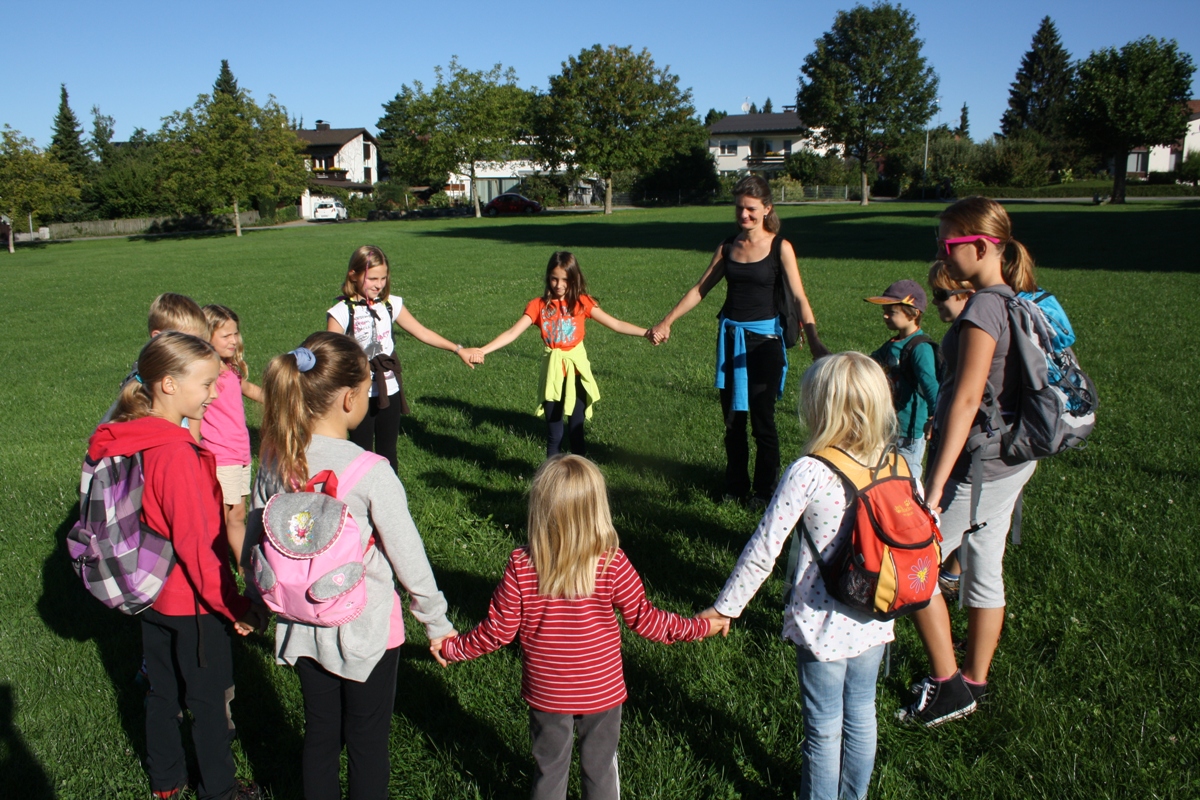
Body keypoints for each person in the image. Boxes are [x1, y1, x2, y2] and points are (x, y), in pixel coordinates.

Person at [433, 455, 727, 800]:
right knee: (600, 769)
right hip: (602, 689)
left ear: (539, 510)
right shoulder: (613, 563)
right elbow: (647, 619)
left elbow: (497, 630)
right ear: (597, 509)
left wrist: (453, 648)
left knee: (549, 770)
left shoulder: (521, 565)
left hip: (547, 691)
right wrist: (698, 626)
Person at [249, 331, 456, 800]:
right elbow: (408, 555)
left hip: (300, 625)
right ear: (349, 399)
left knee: (320, 736)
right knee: (367, 743)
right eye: (367, 390)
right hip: (368, 632)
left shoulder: (275, 459)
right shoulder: (371, 470)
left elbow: (258, 538)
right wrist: (436, 622)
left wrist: (254, 599)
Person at [699, 353, 902, 800]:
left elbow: (763, 549)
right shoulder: (898, 464)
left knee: (824, 728)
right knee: (862, 713)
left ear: (820, 407)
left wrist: (725, 608)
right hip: (876, 614)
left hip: (822, 624)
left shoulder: (809, 472)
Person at [88, 331, 263, 800]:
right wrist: (235, 605)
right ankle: (220, 791)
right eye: (206, 384)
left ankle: (166, 780)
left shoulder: (131, 434)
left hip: (150, 590)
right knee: (207, 701)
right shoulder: (177, 456)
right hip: (193, 602)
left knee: (161, 690)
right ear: (168, 384)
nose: (214, 394)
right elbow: (198, 547)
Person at [899, 196, 1040, 726]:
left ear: (980, 247)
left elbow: (965, 400)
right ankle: (974, 680)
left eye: (947, 242)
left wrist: (935, 488)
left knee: (913, 563)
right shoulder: (1011, 298)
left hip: (978, 468)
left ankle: (948, 685)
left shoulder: (981, 308)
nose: (940, 251)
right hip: (1010, 460)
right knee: (983, 565)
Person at [648, 175, 828, 505]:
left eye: (751, 209)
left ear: (767, 209)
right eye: (739, 209)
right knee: (733, 421)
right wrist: (667, 321)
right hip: (731, 341)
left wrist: (814, 341)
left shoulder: (780, 247)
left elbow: (799, 297)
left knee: (762, 420)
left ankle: (765, 491)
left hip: (765, 343)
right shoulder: (728, 247)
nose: (744, 215)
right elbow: (700, 289)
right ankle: (735, 487)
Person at [326, 245, 484, 472]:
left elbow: (422, 332)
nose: (379, 284)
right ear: (353, 275)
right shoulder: (342, 311)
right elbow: (330, 354)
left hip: (389, 389)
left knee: (388, 451)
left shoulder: (390, 304)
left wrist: (459, 350)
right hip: (357, 393)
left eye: (383, 278)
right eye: (372, 278)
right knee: (360, 452)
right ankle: (360, 493)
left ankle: (390, 492)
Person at [475, 251, 649, 457]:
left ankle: (580, 477)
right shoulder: (538, 306)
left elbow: (616, 324)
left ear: (574, 279)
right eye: (554, 279)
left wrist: (647, 332)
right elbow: (512, 333)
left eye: (565, 280)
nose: (559, 285)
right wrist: (483, 350)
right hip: (553, 376)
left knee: (576, 433)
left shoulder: (582, 302)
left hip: (576, 375)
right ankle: (550, 477)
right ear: (548, 277)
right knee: (554, 435)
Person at [200, 304, 263, 574]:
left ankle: (244, 569)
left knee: (237, 515)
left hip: (240, 454)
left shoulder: (230, 368)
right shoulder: (206, 372)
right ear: (206, 336)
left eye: (235, 334)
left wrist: (280, 399)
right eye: (226, 335)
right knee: (223, 517)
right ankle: (222, 570)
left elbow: (249, 389)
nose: (234, 340)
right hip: (221, 456)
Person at [926, 260, 975, 600]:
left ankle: (934, 580)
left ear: (966, 294)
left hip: (967, 453)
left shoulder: (974, 327)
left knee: (920, 555)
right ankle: (951, 576)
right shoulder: (964, 326)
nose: (935, 301)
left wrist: (936, 484)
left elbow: (969, 399)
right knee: (980, 537)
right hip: (958, 443)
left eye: (941, 294)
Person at [98, 292, 211, 434]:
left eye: (197, 343)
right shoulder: (142, 385)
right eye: (185, 342)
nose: (194, 350)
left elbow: (192, 433)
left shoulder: (184, 377)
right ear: (157, 338)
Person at [864, 280, 939, 483]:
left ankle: (912, 502)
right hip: (888, 424)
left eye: (892, 312)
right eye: (884, 311)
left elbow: (930, 384)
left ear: (913, 313)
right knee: (883, 474)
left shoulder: (920, 348)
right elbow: (868, 365)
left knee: (907, 476)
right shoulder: (893, 344)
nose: (885, 316)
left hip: (910, 430)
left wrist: (936, 416)